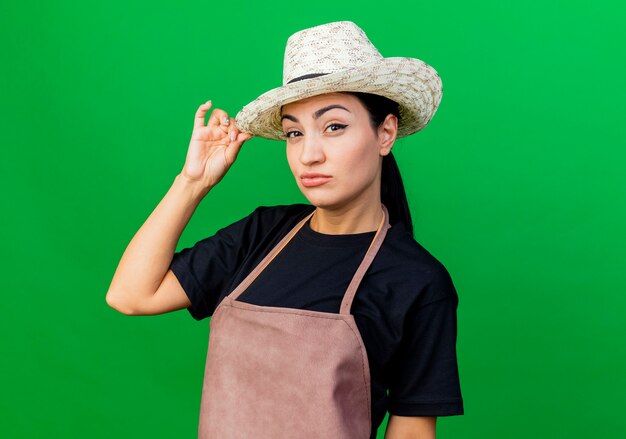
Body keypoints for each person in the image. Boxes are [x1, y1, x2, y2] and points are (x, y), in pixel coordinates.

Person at [106, 21, 463, 439]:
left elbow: (412, 432)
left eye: (334, 126)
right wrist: (193, 182)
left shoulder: (418, 281)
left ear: (385, 133)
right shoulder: (261, 234)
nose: (309, 155)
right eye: (295, 133)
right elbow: (130, 295)